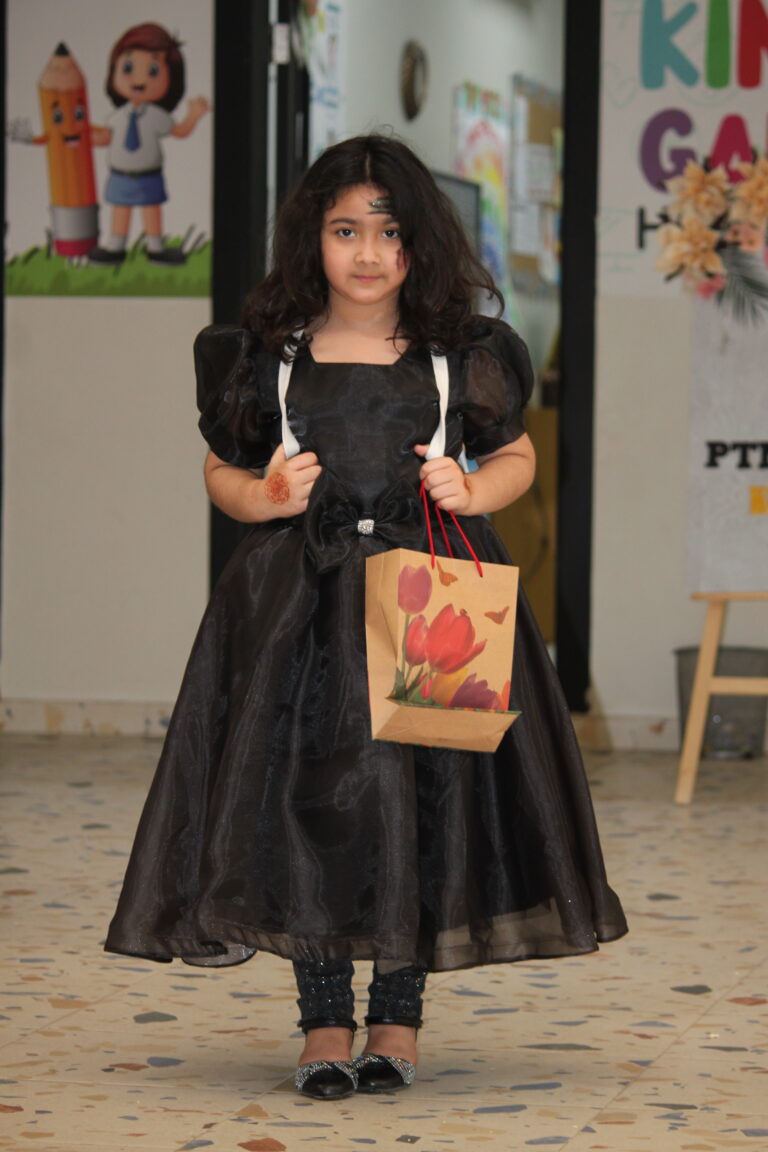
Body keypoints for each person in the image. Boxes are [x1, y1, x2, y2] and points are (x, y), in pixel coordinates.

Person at [105, 134, 627, 1101]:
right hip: (297, 616)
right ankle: (322, 1018)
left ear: (421, 244)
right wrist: (261, 495)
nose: (370, 253)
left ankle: (397, 1014)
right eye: (346, 231)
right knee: (304, 798)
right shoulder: (267, 356)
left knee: (423, 794)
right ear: (312, 240)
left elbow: (515, 456)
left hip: (431, 604)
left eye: (390, 232)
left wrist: (475, 488)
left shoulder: (461, 355)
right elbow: (222, 469)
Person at [88, 22, 209, 266]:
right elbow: (106, 138)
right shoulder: (118, 116)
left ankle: (155, 247)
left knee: (151, 208)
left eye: (153, 70)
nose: (139, 79)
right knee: (120, 209)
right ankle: (116, 246)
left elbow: (179, 131)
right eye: (128, 68)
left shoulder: (156, 116)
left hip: (148, 174)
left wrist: (194, 115)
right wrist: (82, 134)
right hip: (121, 173)